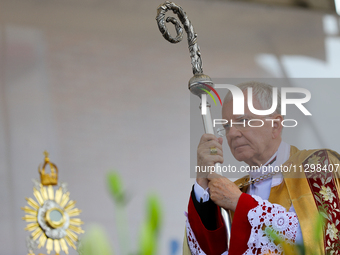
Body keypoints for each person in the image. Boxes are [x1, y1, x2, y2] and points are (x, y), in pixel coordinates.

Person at [183, 82, 340, 255]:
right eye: (226, 126)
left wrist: (240, 203)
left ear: (275, 125)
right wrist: (202, 182)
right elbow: (210, 250)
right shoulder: (235, 189)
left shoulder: (318, 165)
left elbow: (325, 238)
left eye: (242, 121)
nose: (232, 133)